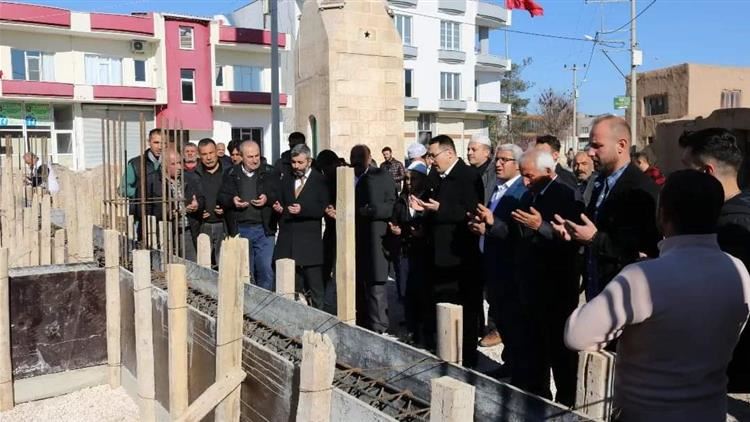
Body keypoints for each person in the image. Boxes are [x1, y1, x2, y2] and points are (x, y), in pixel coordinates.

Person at [565, 170, 750, 422]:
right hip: (710, 412)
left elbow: (576, 336)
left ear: (662, 215)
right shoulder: (738, 269)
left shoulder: (643, 278)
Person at [552, 115, 660, 300]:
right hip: (597, 293)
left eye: (597, 146)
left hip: (624, 299)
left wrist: (594, 238)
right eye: (590, 146)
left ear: (621, 145)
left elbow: (638, 249)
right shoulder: (600, 183)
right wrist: (573, 232)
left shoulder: (640, 189)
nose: (591, 153)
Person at [508, 149, 583, 406]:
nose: (525, 182)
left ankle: (566, 403)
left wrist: (541, 226)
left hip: (556, 287)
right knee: (535, 348)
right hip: (531, 284)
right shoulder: (529, 194)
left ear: (548, 172)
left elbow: (572, 239)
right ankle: (537, 397)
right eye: (522, 176)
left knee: (561, 353)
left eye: (529, 176)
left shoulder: (565, 194)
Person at [679, 127, 750, 393]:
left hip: (733, 372)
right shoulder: (731, 212)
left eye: (687, 169)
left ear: (706, 172)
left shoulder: (732, 225)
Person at [411, 135, 483, 367]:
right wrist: (423, 212)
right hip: (437, 254)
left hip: (460, 257)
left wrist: (441, 209)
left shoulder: (468, 176)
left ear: (449, 154)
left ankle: (467, 358)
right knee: (442, 305)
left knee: (465, 310)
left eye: (434, 155)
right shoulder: (437, 177)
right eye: (429, 156)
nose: (430, 160)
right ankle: (445, 351)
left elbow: (471, 212)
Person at [469, 144, 527, 354]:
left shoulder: (520, 191)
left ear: (518, 165)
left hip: (508, 265)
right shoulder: (498, 187)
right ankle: (508, 362)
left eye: (505, 160)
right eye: (497, 160)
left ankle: (516, 367)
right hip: (492, 261)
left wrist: (490, 227)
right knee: (501, 316)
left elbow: (515, 231)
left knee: (512, 321)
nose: (498, 164)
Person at [273, 144, 329, 309]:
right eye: (294, 162)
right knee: (291, 285)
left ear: (309, 161)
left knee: (315, 284)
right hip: (289, 238)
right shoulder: (287, 179)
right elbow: (281, 200)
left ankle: (319, 314)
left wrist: (303, 210)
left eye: (300, 162)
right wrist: (280, 208)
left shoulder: (319, 180)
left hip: (309, 240)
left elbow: (322, 207)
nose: (296, 166)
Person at [218, 140, 279, 290]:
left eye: (257, 156)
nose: (254, 160)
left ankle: (263, 305)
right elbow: (222, 196)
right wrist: (233, 201)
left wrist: (267, 198)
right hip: (241, 228)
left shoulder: (270, 172)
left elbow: (278, 194)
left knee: (265, 269)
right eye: (250, 156)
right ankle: (246, 305)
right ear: (241, 157)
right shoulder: (231, 173)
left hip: (264, 229)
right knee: (245, 271)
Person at [351, 145, 397, 334]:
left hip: (375, 235)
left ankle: (379, 326)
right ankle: (360, 321)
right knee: (357, 280)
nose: (357, 162)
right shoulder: (346, 176)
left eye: (361, 158)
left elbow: (391, 204)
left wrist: (373, 211)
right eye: (354, 158)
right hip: (354, 237)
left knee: (376, 283)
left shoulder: (381, 176)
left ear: (369, 158)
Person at [389, 160, 429, 344]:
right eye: (406, 179)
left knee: (421, 292)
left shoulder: (429, 198)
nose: (409, 183)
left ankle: (424, 330)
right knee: (405, 290)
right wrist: (396, 229)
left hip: (422, 252)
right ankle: (411, 329)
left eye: (413, 179)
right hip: (404, 250)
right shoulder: (401, 199)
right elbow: (395, 218)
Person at [147, 147, 204, 261]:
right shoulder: (153, 181)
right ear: (164, 165)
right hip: (165, 231)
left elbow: (201, 198)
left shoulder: (189, 178)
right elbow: (149, 207)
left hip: (187, 230)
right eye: (174, 164)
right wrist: (171, 212)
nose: (179, 167)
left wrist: (197, 205)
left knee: (190, 264)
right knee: (168, 264)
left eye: (179, 162)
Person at [122, 128, 163, 243]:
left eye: (163, 143)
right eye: (156, 142)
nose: (160, 147)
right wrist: (139, 192)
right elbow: (122, 189)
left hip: (164, 217)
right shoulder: (136, 163)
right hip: (141, 217)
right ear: (148, 142)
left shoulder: (170, 162)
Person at [316, 149, 343, 314]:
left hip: (344, 229)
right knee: (326, 265)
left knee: (341, 268)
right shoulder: (326, 179)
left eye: (326, 168)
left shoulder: (344, 177)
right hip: (331, 229)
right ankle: (326, 301)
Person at [194, 138, 227, 268]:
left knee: (224, 265)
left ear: (216, 153)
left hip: (223, 225)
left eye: (211, 153)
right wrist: (197, 211)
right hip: (203, 226)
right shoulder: (194, 175)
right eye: (204, 154)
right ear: (199, 155)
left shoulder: (228, 172)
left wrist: (226, 208)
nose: (208, 157)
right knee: (203, 265)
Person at [467, 134, 496, 205]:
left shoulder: (495, 173)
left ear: (486, 152)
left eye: (474, 150)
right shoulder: (466, 171)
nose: (469, 153)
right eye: (468, 149)